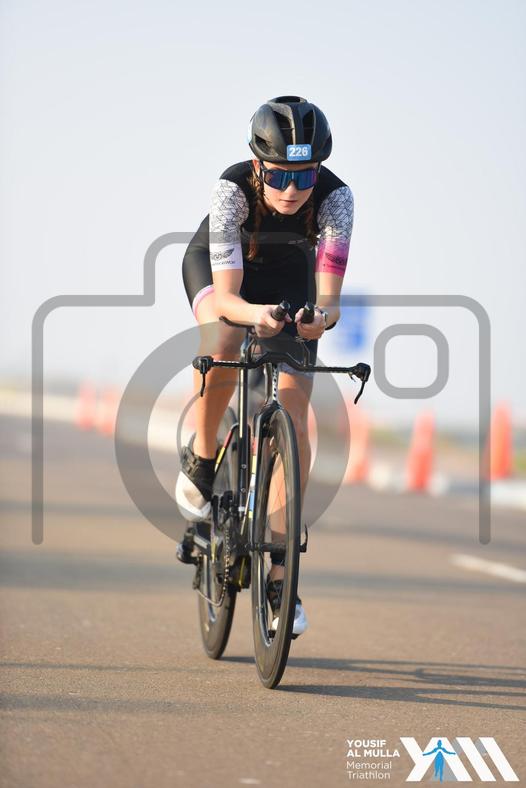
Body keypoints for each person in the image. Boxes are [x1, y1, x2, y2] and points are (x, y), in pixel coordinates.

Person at [176, 95, 354, 636]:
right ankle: (203, 455)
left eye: (304, 176)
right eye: (278, 176)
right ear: (258, 165)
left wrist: (318, 320)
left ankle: (280, 575)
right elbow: (229, 298)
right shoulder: (231, 190)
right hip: (226, 277)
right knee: (225, 334)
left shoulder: (337, 199)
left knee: (295, 418)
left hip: (291, 282)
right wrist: (257, 315)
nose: (291, 190)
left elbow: (330, 302)